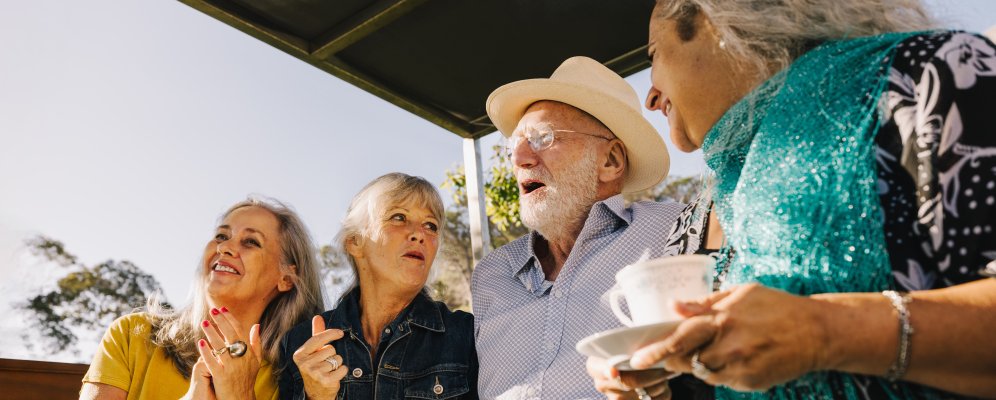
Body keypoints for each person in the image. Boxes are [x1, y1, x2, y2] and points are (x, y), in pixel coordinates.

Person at [586, 1, 996, 398]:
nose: (651, 97)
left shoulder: (932, 72)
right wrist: (662, 388)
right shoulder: (732, 187)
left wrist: (823, 331)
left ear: (718, 21)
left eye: (655, 54)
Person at [472, 56, 684, 399]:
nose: (519, 157)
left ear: (610, 161)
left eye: (543, 138)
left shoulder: (674, 230)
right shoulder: (491, 273)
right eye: (514, 144)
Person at [80, 197, 325, 400]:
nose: (224, 247)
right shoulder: (131, 334)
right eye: (221, 236)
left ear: (286, 278)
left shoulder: (290, 379)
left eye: (251, 242)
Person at [278, 172, 478, 399]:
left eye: (430, 225)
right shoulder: (300, 343)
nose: (419, 234)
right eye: (399, 217)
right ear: (355, 241)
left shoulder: (467, 336)